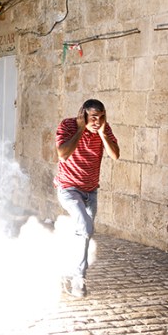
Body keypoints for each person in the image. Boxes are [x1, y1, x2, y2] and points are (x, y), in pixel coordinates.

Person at [54, 99, 120, 298]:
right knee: (85, 227)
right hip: (68, 188)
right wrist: (81, 129)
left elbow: (115, 155)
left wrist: (102, 133)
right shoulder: (68, 125)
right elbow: (63, 154)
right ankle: (78, 280)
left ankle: (71, 272)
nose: (97, 121)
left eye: (101, 117)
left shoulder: (103, 130)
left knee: (83, 235)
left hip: (91, 191)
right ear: (83, 114)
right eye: (93, 117)